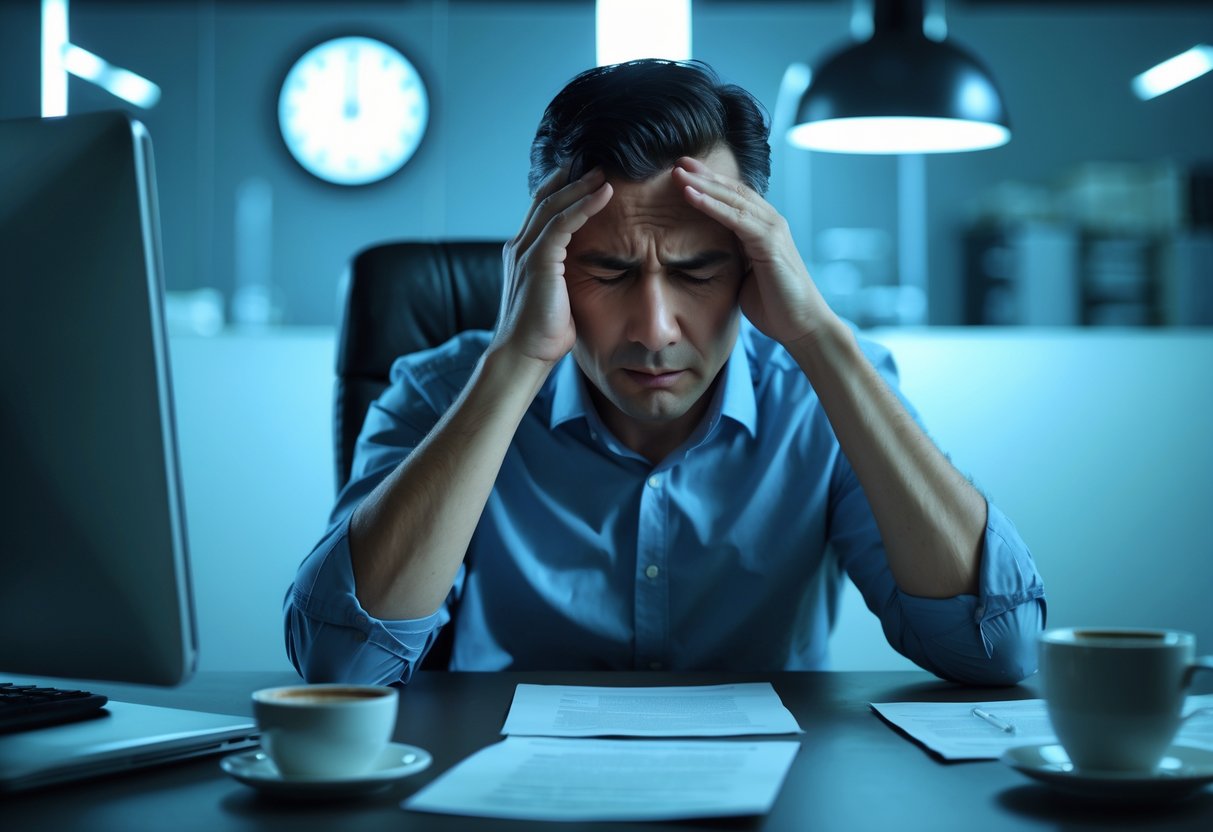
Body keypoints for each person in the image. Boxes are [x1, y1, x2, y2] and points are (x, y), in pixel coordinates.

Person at [284, 59, 1045, 687]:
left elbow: (996, 651)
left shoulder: (826, 389)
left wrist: (818, 337)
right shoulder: (438, 391)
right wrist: (513, 363)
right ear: (541, 267)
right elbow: (340, 666)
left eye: (698, 271)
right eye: (608, 271)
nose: (654, 331)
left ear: (753, 264)